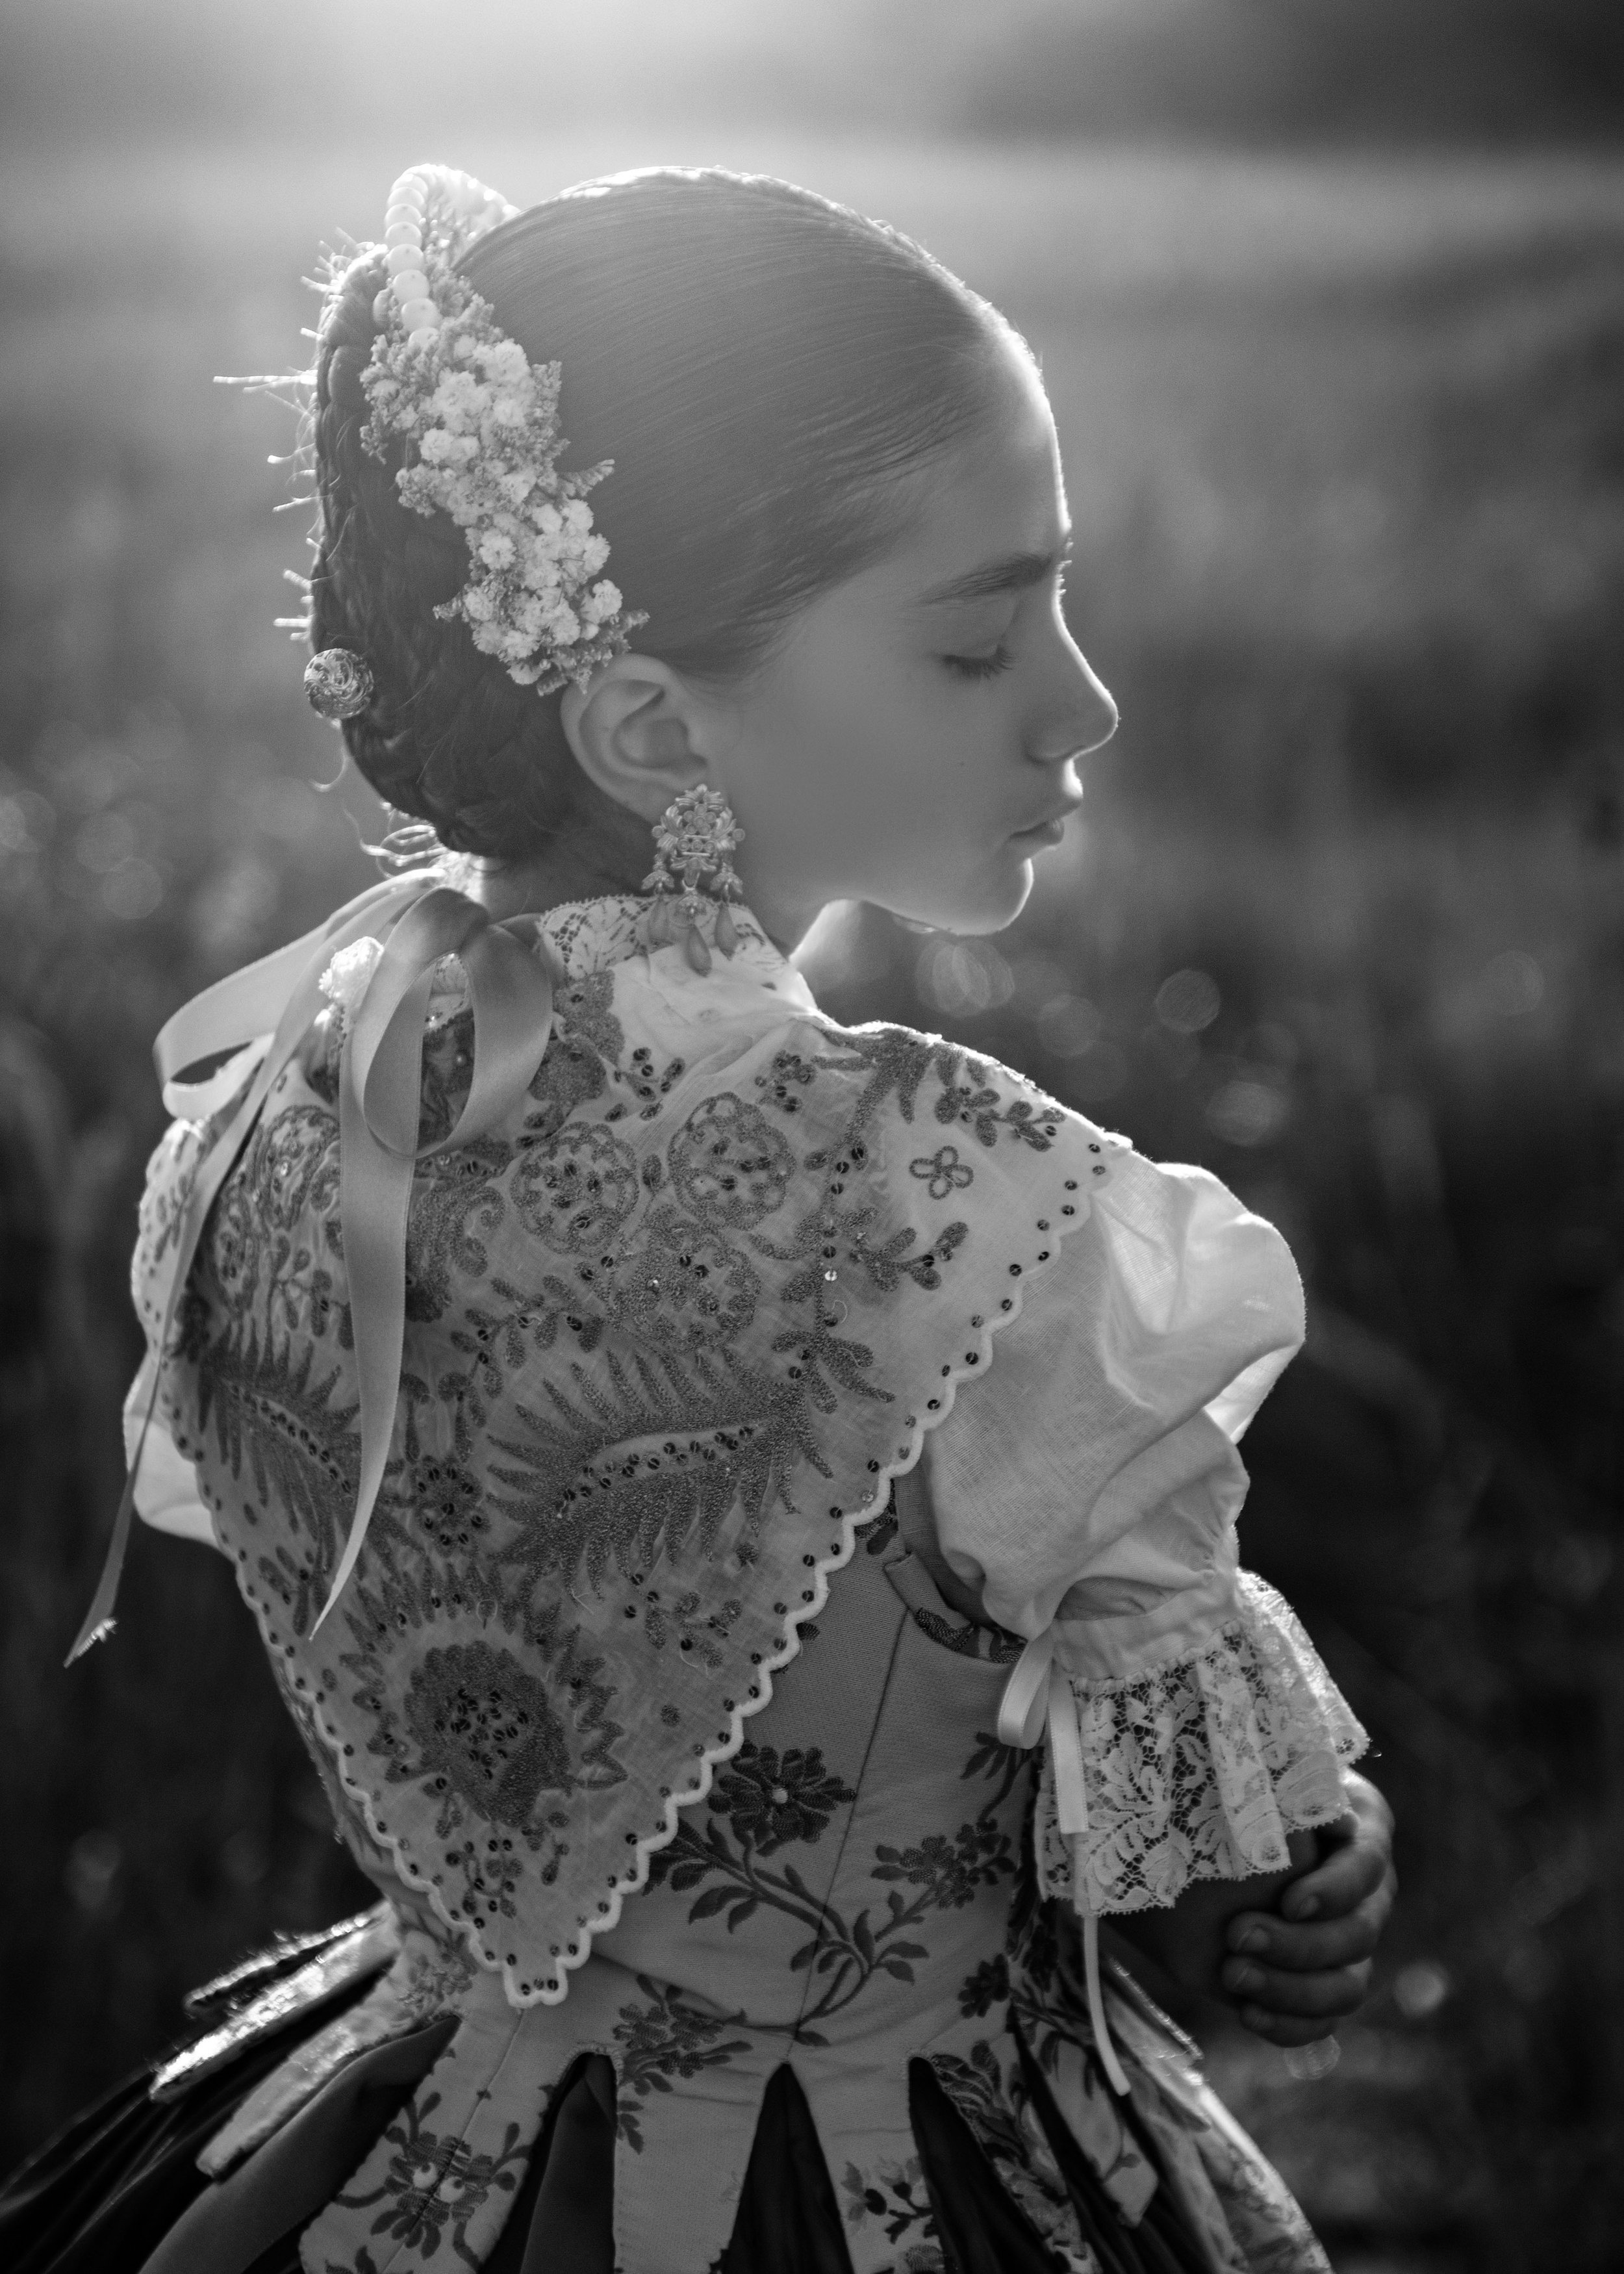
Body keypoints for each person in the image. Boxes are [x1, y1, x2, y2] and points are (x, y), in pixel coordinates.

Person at [1, 164, 1395, 2274]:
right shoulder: (983, 1224)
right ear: (654, 723)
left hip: (401, 2144)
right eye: (976, 634)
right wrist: (1305, 1870)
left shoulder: (273, 1113)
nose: (1078, 700)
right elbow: (1190, 1889)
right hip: (883, 2166)